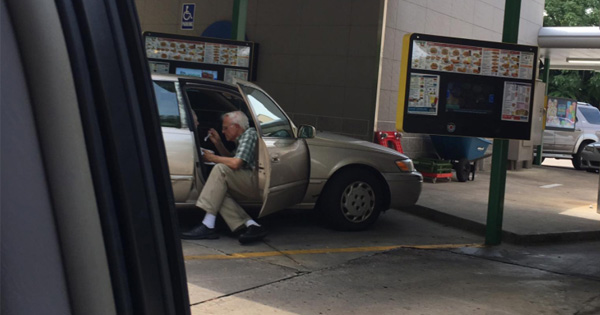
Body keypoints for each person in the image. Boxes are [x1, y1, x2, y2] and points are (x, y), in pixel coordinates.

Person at [181, 110, 268, 244]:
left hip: (256, 181)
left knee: (220, 169)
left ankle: (208, 224)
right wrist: (218, 143)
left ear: (237, 127)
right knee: (218, 191)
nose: (223, 131)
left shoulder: (249, 134)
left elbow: (235, 163)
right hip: (247, 180)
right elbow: (232, 158)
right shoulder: (241, 139)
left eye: (225, 128)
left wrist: (211, 157)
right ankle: (252, 225)